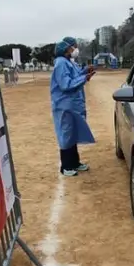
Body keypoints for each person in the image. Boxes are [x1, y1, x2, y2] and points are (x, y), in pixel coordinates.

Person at [50, 37, 96, 176]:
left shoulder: (69, 62)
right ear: (67, 48)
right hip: (64, 105)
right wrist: (84, 78)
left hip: (72, 105)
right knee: (66, 134)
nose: (75, 49)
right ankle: (66, 166)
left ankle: (75, 163)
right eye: (74, 47)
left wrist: (84, 72)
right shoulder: (61, 63)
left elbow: (74, 77)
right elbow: (66, 84)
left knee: (72, 134)